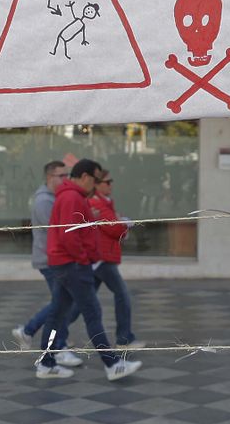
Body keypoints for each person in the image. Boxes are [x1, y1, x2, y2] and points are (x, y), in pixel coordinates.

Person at [36, 159, 141, 382]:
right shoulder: (72, 197)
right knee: (92, 314)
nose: (96, 184)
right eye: (95, 180)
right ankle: (112, 365)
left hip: (65, 264)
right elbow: (69, 234)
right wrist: (84, 260)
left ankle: (46, 364)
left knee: (57, 314)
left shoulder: (69, 196)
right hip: (73, 266)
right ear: (84, 177)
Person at [11, 161, 81, 368]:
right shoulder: (43, 202)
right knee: (62, 304)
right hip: (50, 260)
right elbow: (58, 230)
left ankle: (30, 332)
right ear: (50, 177)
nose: (66, 179)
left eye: (67, 175)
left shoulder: (53, 198)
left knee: (63, 303)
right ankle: (56, 347)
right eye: (62, 175)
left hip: (55, 259)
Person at [89, 168, 143, 351]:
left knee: (79, 301)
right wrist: (123, 223)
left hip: (103, 257)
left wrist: (120, 222)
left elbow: (114, 224)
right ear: (96, 184)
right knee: (122, 295)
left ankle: (56, 336)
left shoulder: (105, 203)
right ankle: (124, 339)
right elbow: (114, 228)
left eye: (111, 182)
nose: (111, 185)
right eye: (107, 182)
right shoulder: (97, 203)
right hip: (103, 258)